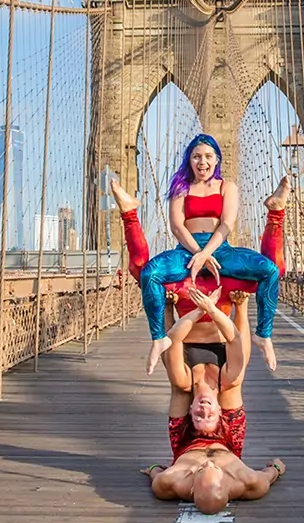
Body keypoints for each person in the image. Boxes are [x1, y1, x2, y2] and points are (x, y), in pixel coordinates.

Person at [111, 139, 289, 374]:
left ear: (217, 159)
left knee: (270, 270)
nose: (202, 161)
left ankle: (264, 335)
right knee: (150, 274)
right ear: (189, 159)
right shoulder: (180, 188)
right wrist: (197, 253)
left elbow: (227, 224)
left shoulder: (228, 186)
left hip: (219, 250)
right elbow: (177, 226)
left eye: (208, 156)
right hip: (187, 250)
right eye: (196, 156)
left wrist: (206, 253)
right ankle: (158, 338)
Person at [140, 286, 286, 514]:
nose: (208, 464)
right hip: (225, 436)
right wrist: (277, 467)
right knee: (236, 377)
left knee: (178, 382)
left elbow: (155, 474)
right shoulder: (248, 482)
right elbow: (269, 474)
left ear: (191, 487)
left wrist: (198, 310)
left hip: (187, 438)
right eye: (214, 469)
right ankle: (241, 307)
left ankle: (168, 309)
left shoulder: (171, 483)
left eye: (201, 470)